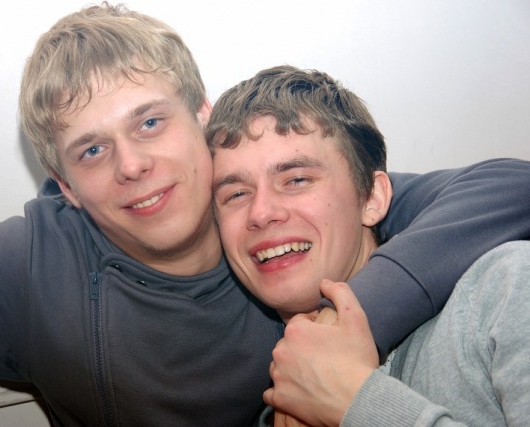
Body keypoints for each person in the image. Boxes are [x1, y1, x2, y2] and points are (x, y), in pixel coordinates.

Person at [0, 3, 529, 425]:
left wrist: (348, 327)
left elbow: (508, 186)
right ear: (66, 188)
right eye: (91, 150)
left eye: (150, 121)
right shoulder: (31, 264)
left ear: (202, 118)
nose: (131, 165)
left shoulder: (287, 214)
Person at [206, 64, 530, 425]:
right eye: (236, 194)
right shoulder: (265, 399)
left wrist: (358, 403)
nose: (261, 213)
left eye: (297, 180)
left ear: (373, 198)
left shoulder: (504, 291)